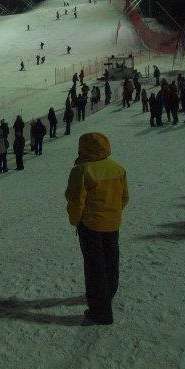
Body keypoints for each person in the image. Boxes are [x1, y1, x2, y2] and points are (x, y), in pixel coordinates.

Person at [64, 133, 129, 325]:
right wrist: (112, 213)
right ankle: (108, 294)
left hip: (91, 225)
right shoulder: (117, 168)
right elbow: (124, 197)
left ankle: (100, 313)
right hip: (112, 223)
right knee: (110, 260)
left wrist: (76, 221)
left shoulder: (82, 170)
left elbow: (76, 200)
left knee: (94, 267)